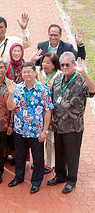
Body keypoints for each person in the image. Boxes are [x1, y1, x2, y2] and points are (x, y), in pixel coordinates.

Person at [48, 52, 95, 194]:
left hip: (73, 127)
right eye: (62, 65)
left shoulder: (81, 80)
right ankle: (60, 175)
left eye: (67, 65)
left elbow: (92, 90)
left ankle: (71, 180)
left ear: (74, 65)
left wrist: (85, 74)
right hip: (58, 125)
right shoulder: (58, 79)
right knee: (59, 152)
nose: (64, 67)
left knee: (72, 155)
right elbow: (51, 99)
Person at [6, 62, 53, 194]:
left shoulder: (43, 90)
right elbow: (11, 107)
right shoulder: (18, 88)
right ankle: (18, 177)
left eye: (29, 72)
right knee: (19, 156)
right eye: (24, 72)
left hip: (36, 130)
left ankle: (36, 181)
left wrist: (45, 130)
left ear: (35, 73)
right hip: (20, 129)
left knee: (37, 158)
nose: (26, 74)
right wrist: (10, 94)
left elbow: (48, 111)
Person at [35, 52, 61, 174]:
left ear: (54, 65)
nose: (44, 65)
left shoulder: (60, 76)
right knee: (38, 138)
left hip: (54, 111)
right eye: (43, 62)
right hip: (39, 111)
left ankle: (50, 164)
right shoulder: (39, 73)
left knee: (50, 138)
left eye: (48, 63)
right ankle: (39, 162)